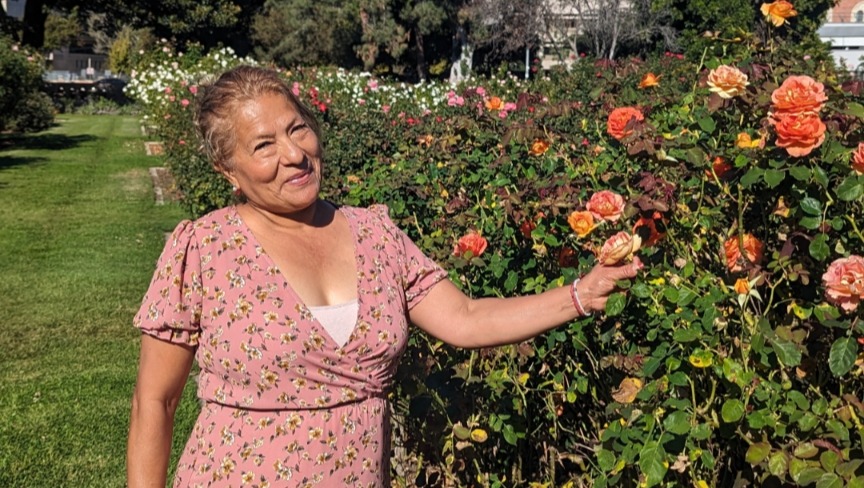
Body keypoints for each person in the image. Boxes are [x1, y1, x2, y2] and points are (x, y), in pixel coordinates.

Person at [127, 65, 642, 488]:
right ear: (227, 169)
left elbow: (465, 318)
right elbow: (156, 401)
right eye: (263, 145)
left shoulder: (375, 235)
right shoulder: (206, 248)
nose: (294, 154)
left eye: (297, 128)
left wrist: (581, 294)